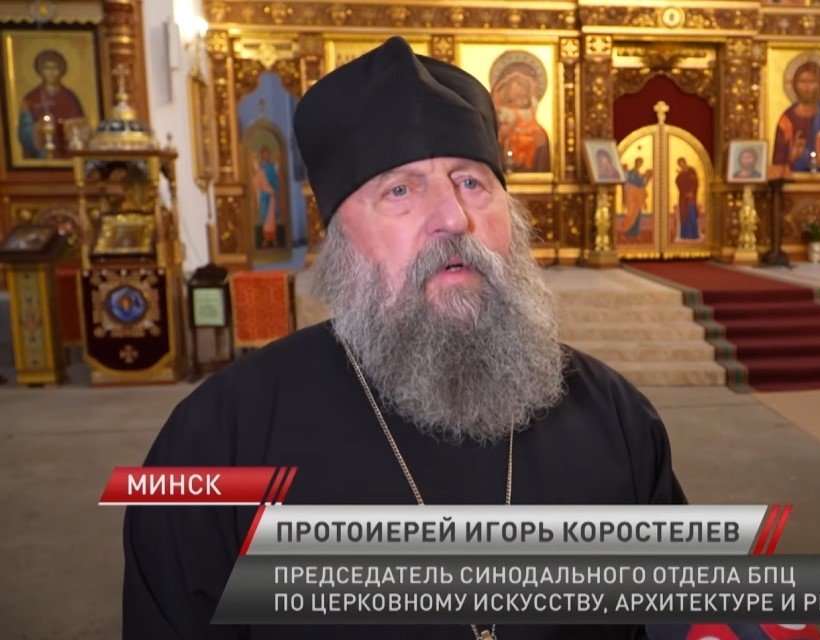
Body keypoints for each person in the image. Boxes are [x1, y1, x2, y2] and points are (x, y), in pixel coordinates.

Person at [122, 36, 686, 639]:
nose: (453, 218)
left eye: (472, 183)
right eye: (400, 190)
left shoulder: (617, 418)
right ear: (340, 242)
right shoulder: (215, 441)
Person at [772, 61, 820, 173]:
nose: (807, 87)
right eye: (802, 81)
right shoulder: (786, 120)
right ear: (795, 85)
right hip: (792, 182)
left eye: (812, 82)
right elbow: (776, 162)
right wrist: (792, 156)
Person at [17, 49, 86, 159]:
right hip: (40, 156)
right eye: (47, 68)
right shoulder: (30, 99)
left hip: (67, 154)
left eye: (55, 68)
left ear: (61, 70)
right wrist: (39, 128)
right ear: (40, 71)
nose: (51, 72)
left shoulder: (70, 97)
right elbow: (24, 132)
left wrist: (69, 129)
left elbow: (81, 127)